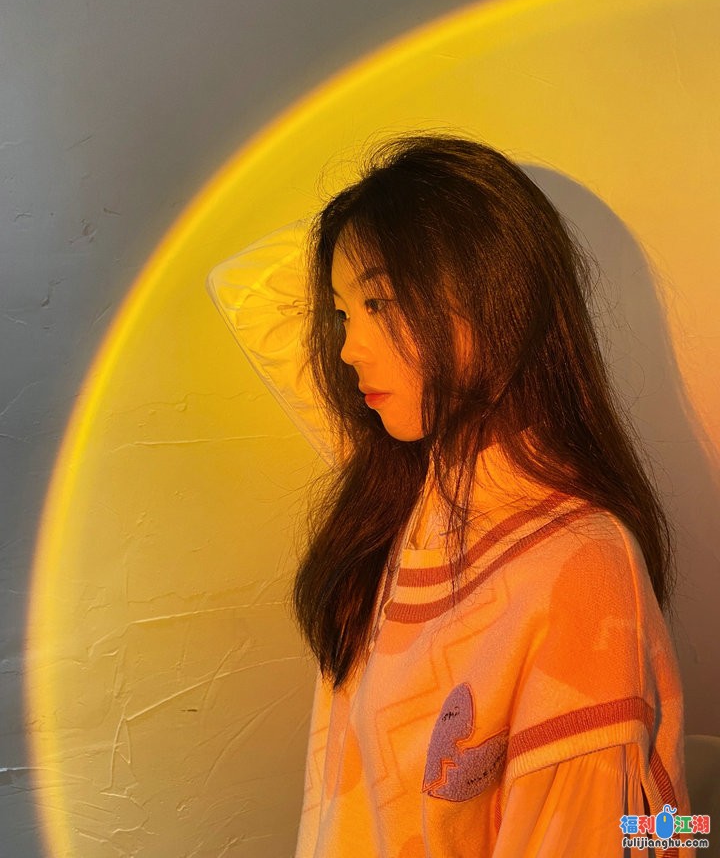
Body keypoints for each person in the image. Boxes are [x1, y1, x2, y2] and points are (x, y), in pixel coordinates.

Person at [207, 134, 690, 857]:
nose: (347, 347)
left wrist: (447, 230)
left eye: (379, 302)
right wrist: (382, 210)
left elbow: (604, 835)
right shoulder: (407, 480)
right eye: (343, 313)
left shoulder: (579, 568)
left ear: (495, 302)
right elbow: (242, 286)